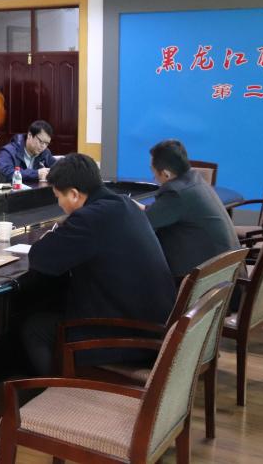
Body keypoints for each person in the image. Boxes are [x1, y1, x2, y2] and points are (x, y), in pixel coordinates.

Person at [23, 153, 175, 375]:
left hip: (129, 337)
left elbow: (40, 257)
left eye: (58, 197)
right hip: (155, 326)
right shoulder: (124, 204)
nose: (59, 204)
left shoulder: (90, 218)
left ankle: (57, 389)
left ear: (74, 194)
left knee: (35, 328)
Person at [141, 140, 238, 280]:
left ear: (166, 174)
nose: (154, 176)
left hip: (206, 280)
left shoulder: (176, 193)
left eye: (153, 171)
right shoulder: (194, 182)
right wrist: (140, 207)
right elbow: (166, 212)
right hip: (227, 272)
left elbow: (143, 224)